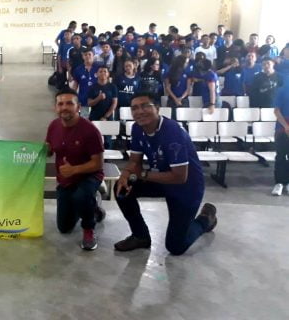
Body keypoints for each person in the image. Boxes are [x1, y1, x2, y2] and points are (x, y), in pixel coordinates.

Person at [114, 92, 217, 255]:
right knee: (122, 189)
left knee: (175, 246)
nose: (139, 111)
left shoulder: (172, 131)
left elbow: (179, 176)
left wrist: (143, 175)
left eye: (145, 106)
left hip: (187, 187)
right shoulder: (137, 128)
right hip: (161, 179)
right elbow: (135, 162)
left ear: (157, 108)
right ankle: (140, 236)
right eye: (134, 108)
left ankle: (205, 219)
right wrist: (126, 174)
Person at [45, 89, 104, 250]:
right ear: (56, 108)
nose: (64, 107)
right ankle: (92, 208)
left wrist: (75, 170)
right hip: (65, 179)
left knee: (81, 196)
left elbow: (98, 164)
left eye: (69, 103)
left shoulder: (90, 131)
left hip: (89, 176)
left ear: (78, 107)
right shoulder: (54, 126)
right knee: (64, 228)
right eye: (60, 104)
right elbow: (49, 149)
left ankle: (88, 229)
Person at [271, 81, 289, 196]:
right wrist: (286, 126)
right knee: (281, 156)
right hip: (282, 128)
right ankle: (279, 183)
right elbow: (276, 111)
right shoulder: (282, 90)